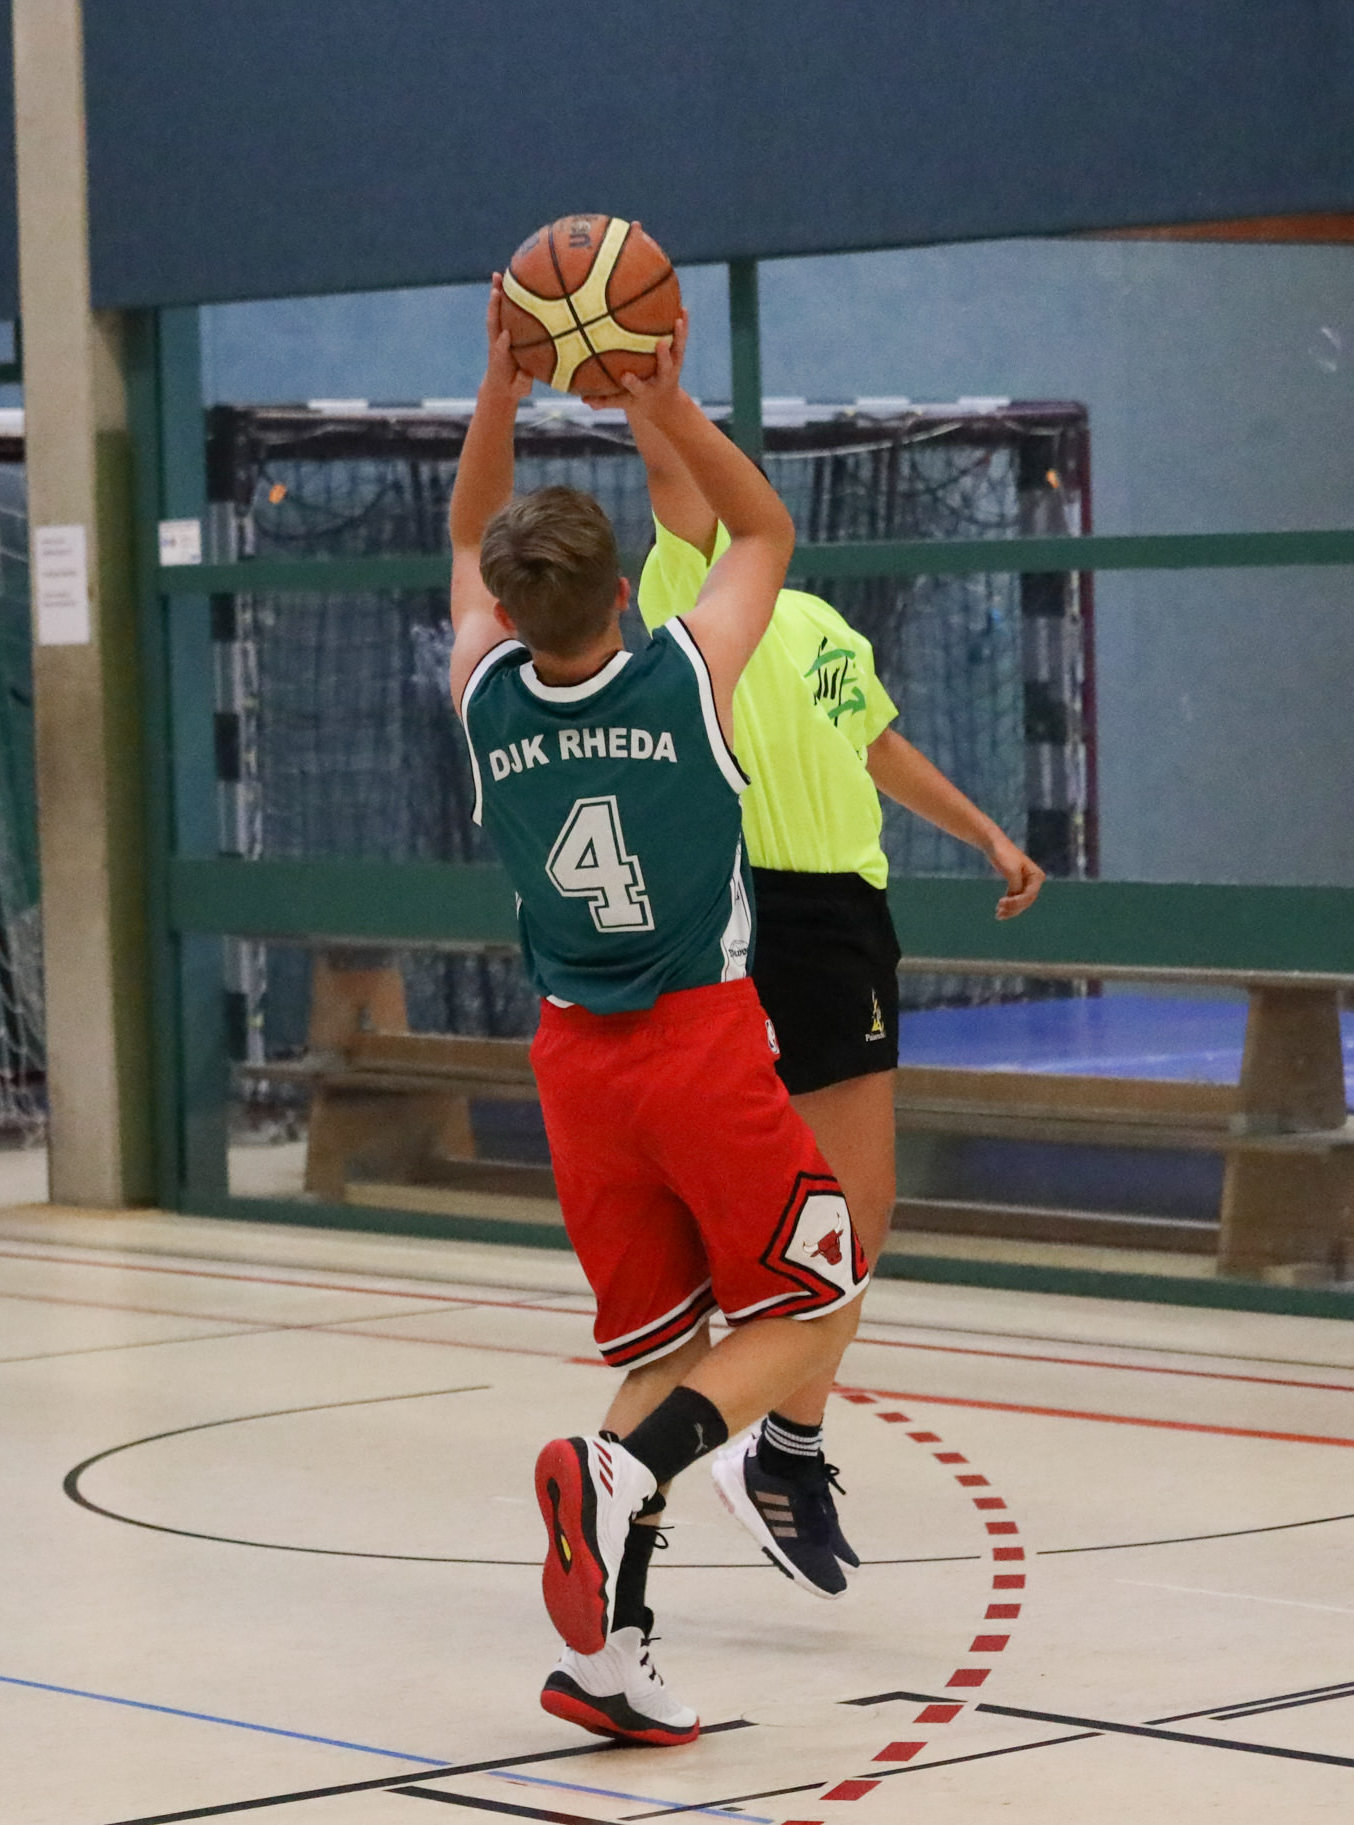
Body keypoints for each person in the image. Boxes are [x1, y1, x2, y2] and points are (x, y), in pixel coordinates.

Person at [448, 286, 867, 1745]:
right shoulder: (688, 677)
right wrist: (656, 397)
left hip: (574, 1064)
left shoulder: (482, 695)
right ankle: (632, 1469)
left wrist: (499, 389)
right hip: (697, 1041)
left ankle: (608, 1659)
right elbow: (763, 530)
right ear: (624, 591)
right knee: (816, 1299)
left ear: (506, 611)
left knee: (657, 1345)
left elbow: (466, 531)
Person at [627, 422, 1045, 1599]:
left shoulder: (819, 627)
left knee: (860, 1210)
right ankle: (733, 1446)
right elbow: (671, 476)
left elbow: (875, 745)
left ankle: (781, 1443)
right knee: (804, 1219)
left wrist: (984, 832)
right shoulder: (690, 603)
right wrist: (650, 391)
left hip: (849, 915)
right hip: (759, 906)